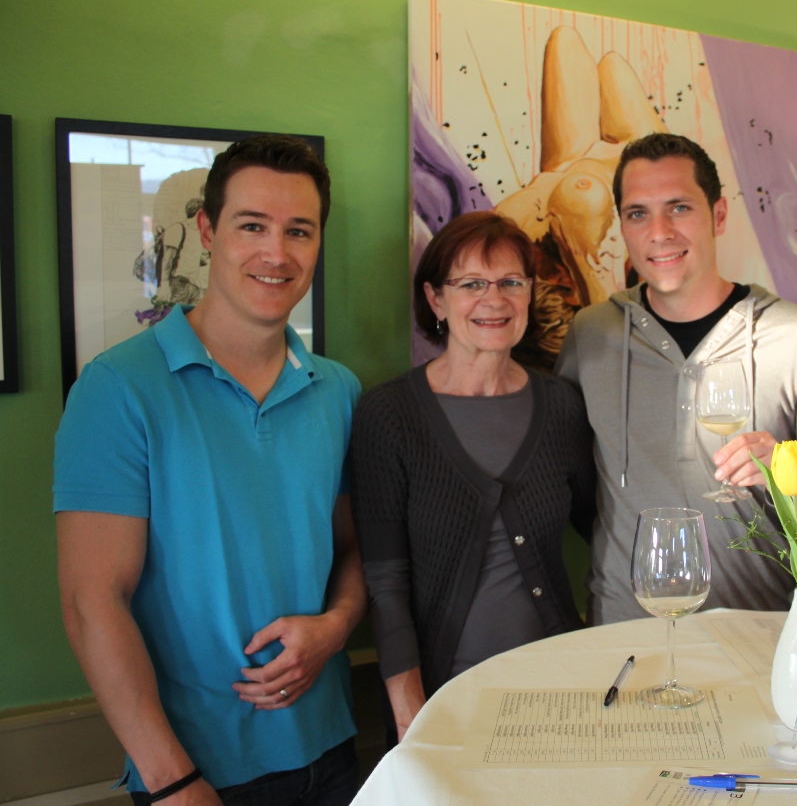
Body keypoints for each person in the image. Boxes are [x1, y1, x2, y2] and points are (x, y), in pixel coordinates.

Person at [54, 135, 366, 804]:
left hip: (333, 747)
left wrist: (337, 625)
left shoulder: (338, 390)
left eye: (299, 230)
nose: (276, 253)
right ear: (206, 230)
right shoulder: (118, 389)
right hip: (197, 768)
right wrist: (173, 781)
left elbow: (354, 546)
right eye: (252, 225)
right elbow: (91, 602)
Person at [556, 133, 797, 625]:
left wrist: (788, 476)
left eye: (679, 208)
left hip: (759, 630)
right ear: (622, 226)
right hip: (622, 631)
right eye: (638, 213)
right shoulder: (591, 335)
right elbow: (571, 483)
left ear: (718, 214)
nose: (659, 232)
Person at [349, 211, 595, 740]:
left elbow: (605, 530)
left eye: (511, 282)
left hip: (558, 690)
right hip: (444, 703)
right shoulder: (388, 415)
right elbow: (386, 583)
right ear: (436, 299)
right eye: (471, 284)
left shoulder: (561, 406)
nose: (494, 299)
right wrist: (410, 716)